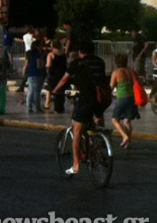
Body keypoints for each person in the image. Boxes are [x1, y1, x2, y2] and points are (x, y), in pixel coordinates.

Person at [51, 40, 107, 175]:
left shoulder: (77, 63)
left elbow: (65, 79)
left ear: (80, 52)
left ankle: (75, 165)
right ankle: (98, 142)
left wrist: (55, 90)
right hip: (102, 99)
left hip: (86, 99)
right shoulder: (100, 62)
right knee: (91, 124)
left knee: (76, 131)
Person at [110, 54, 140, 149]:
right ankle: (128, 143)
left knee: (115, 119)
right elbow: (138, 83)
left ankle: (124, 136)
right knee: (127, 121)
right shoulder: (132, 71)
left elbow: (111, 87)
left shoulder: (116, 72)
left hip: (122, 98)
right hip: (132, 98)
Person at [44, 40, 67, 113]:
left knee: (53, 90)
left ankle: (55, 108)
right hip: (62, 74)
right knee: (61, 91)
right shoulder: (63, 54)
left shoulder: (51, 54)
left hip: (53, 75)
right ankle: (61, 107)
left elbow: (48, 65)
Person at [24, 40, 45, 113]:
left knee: (31, 91)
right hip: (37, 74)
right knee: (37, 92)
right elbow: (39, 65)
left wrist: (25, 72)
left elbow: (26, 65)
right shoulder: (38, 54)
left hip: (30, 74)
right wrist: (43, 66)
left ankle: (29, 106)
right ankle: (37, 107)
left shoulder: (29, 54)